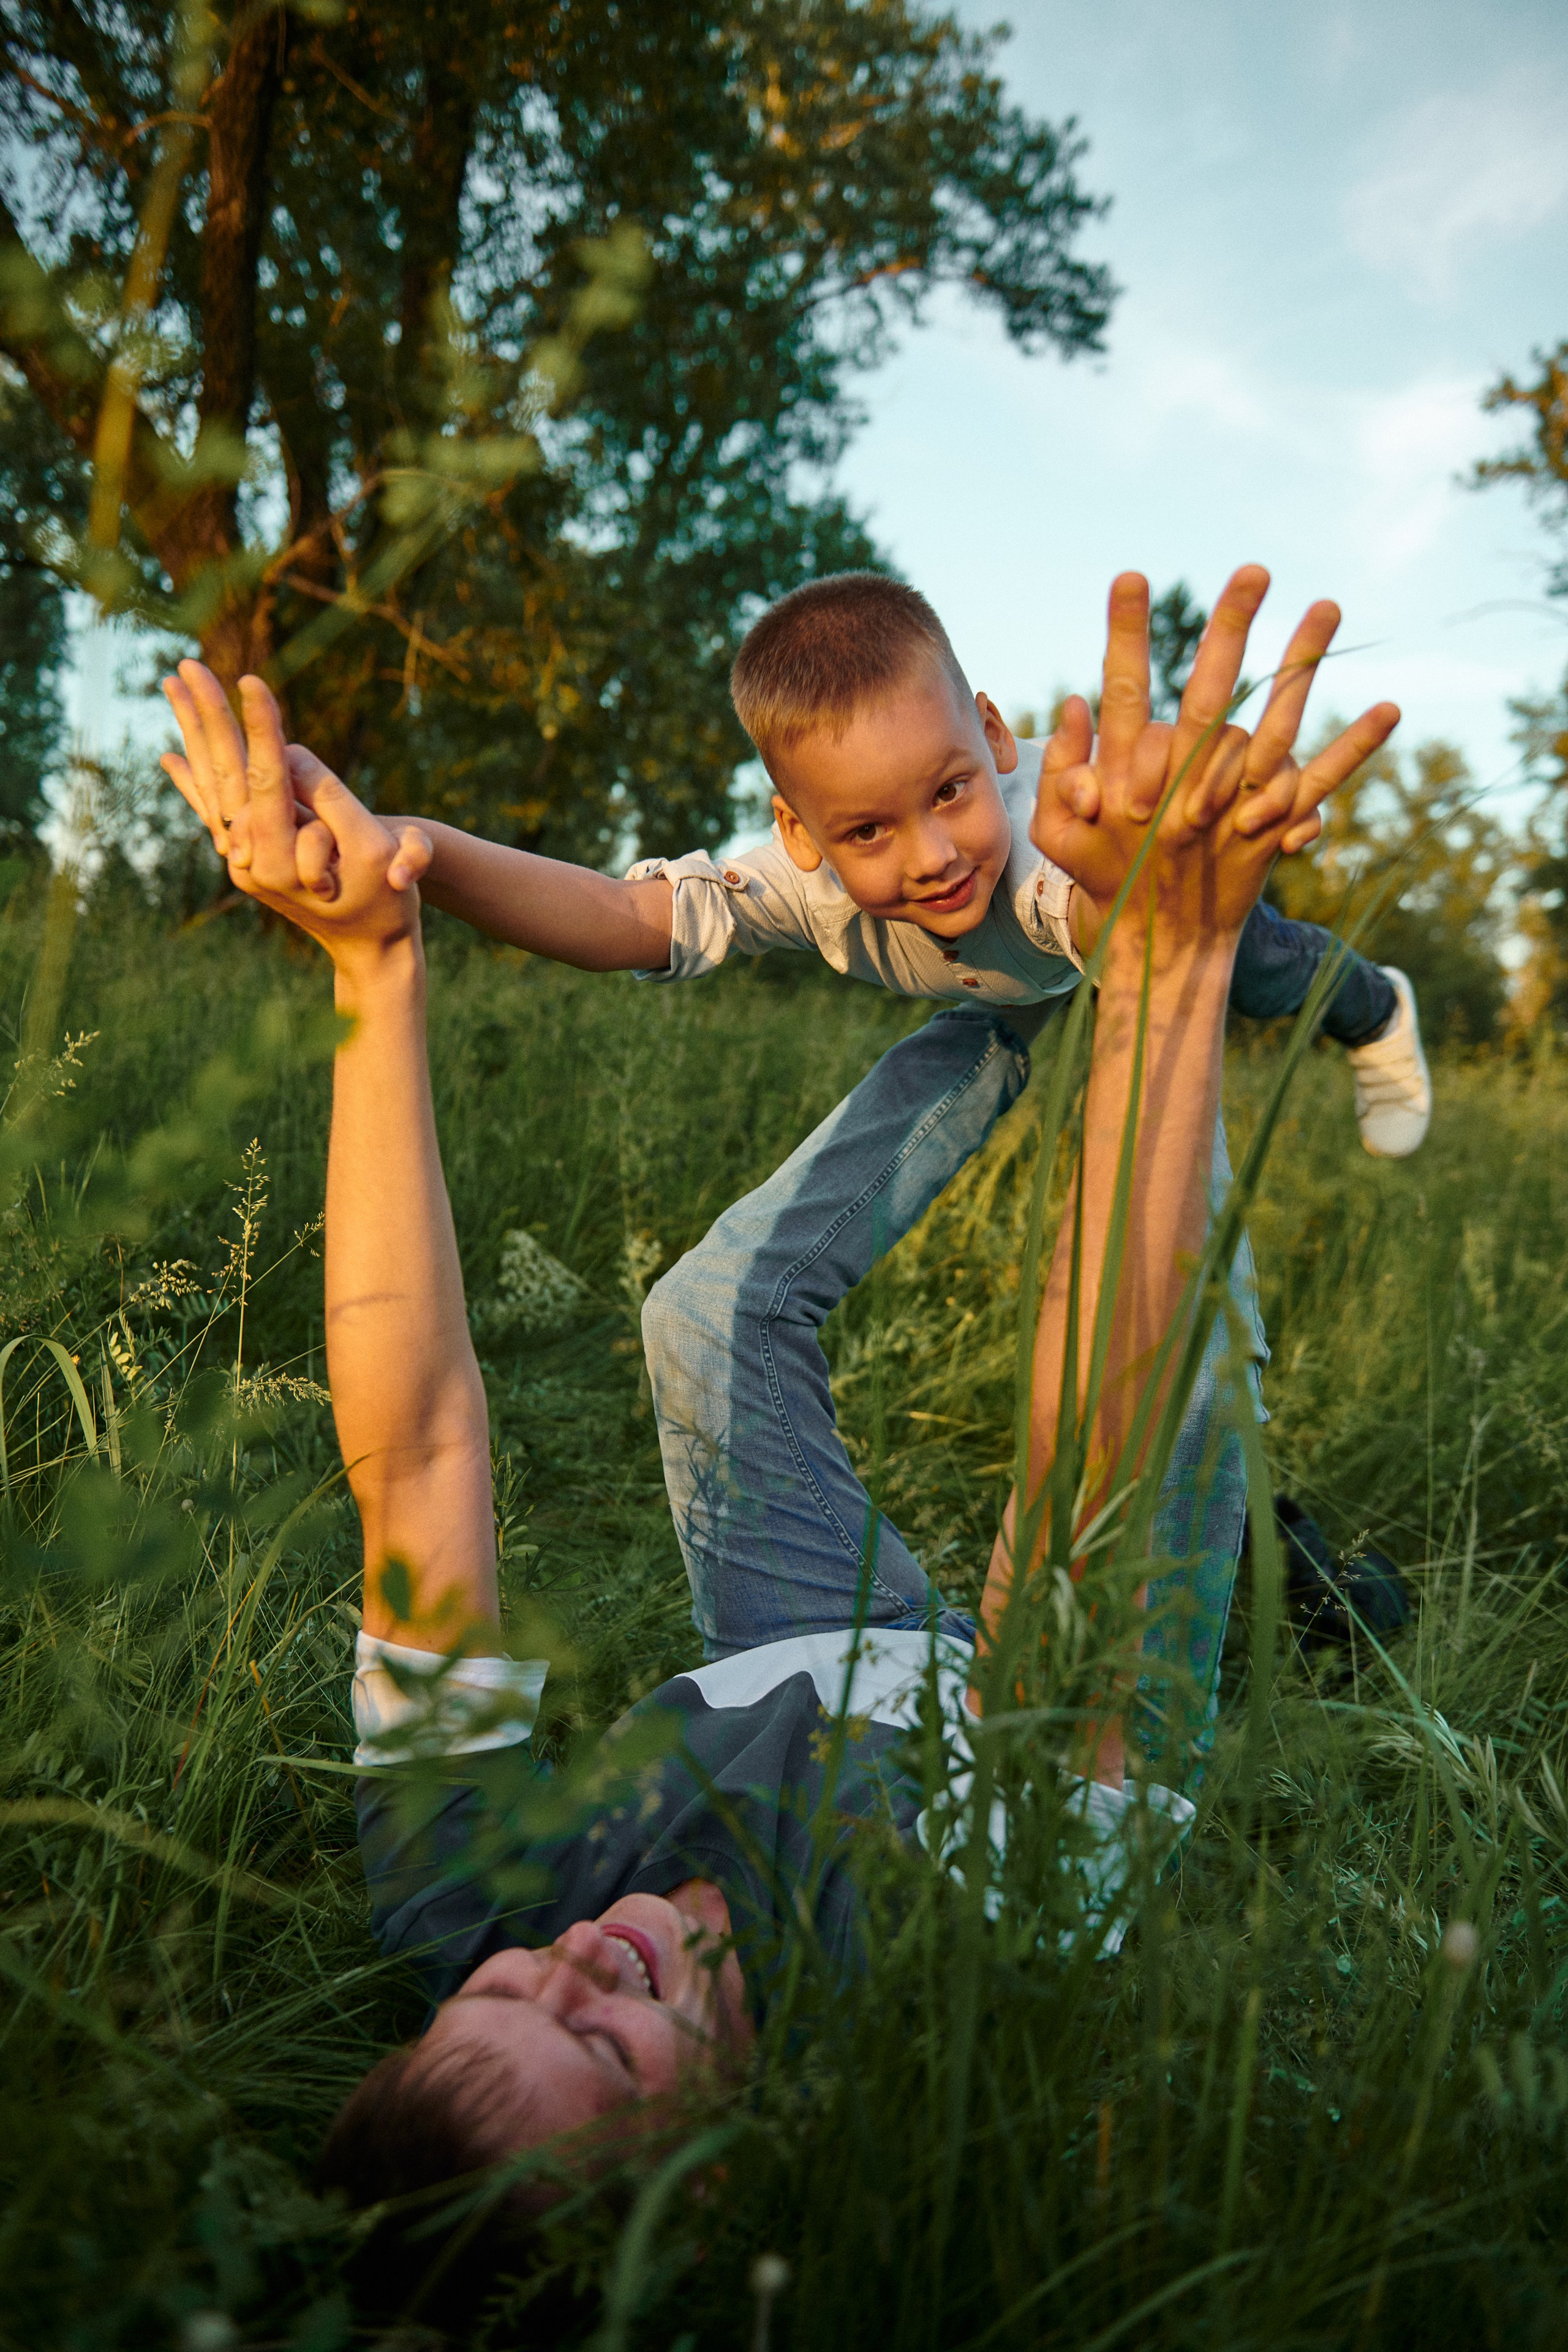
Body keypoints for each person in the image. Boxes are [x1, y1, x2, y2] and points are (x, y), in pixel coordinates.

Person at [159, 569, 1397, 2244]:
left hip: (799, 1647)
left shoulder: (459, 1901)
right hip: (1049, 1703)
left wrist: (376, 962)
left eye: (506, 1992)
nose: (575, 1958)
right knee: (1166, 1408)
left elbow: (422, 1459)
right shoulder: (921, 1973)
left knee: (711, 1318)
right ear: (714, 2177)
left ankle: (1063, 1092)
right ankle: (1283, 1581)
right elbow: (1070, 1531)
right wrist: (1170, 973)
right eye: (606, 2037)